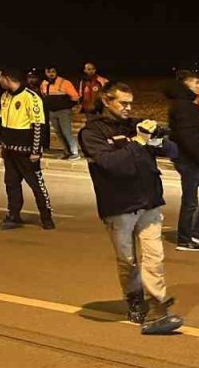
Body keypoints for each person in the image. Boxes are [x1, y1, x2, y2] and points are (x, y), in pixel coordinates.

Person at [79, 82, 184, 334]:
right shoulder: (91, 133)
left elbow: (174, 151)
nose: (128, 108)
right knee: (128, 261)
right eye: (122, 103)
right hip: (119, 206)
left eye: (130, 103)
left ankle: (159, 308)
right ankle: (135, 300)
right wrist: (137, 141)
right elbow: (110, 163)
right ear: (106, 100)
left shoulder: (136, 125)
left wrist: (158, 138)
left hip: (148, 201)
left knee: (154, 257)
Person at [165, 70, 199, 251]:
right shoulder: (183, 105)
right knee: (190, 200)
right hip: (187, 159)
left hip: (193, 158)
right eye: (196, 83)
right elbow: (187, 137)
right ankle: (184, 239)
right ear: (185, 83)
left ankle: (195, 232)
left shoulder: (188, 103)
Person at [0, 68, 54, 230]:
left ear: (8, 78)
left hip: (27, 152)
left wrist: (36, 151)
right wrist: (2, 145)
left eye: (0, 77)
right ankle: (14, 215)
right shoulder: (5, 96)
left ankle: (46, 217)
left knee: (36, 185)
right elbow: (2, 122)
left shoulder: (32, 97)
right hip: (9, 150)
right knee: (11, 183)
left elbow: (38, 126)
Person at [41, 66, 81, 160]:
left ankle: (75, 152)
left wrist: (68, 105)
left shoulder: (64, 82)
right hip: (52, 112)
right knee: (59, 132)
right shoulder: (44, 83)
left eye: (53, 71)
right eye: (49, 71)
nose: (51, 74)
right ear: (45, 72)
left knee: (66, 132)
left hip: (63, 111)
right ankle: (67, 152)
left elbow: (75, 97)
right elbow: (44, 96)